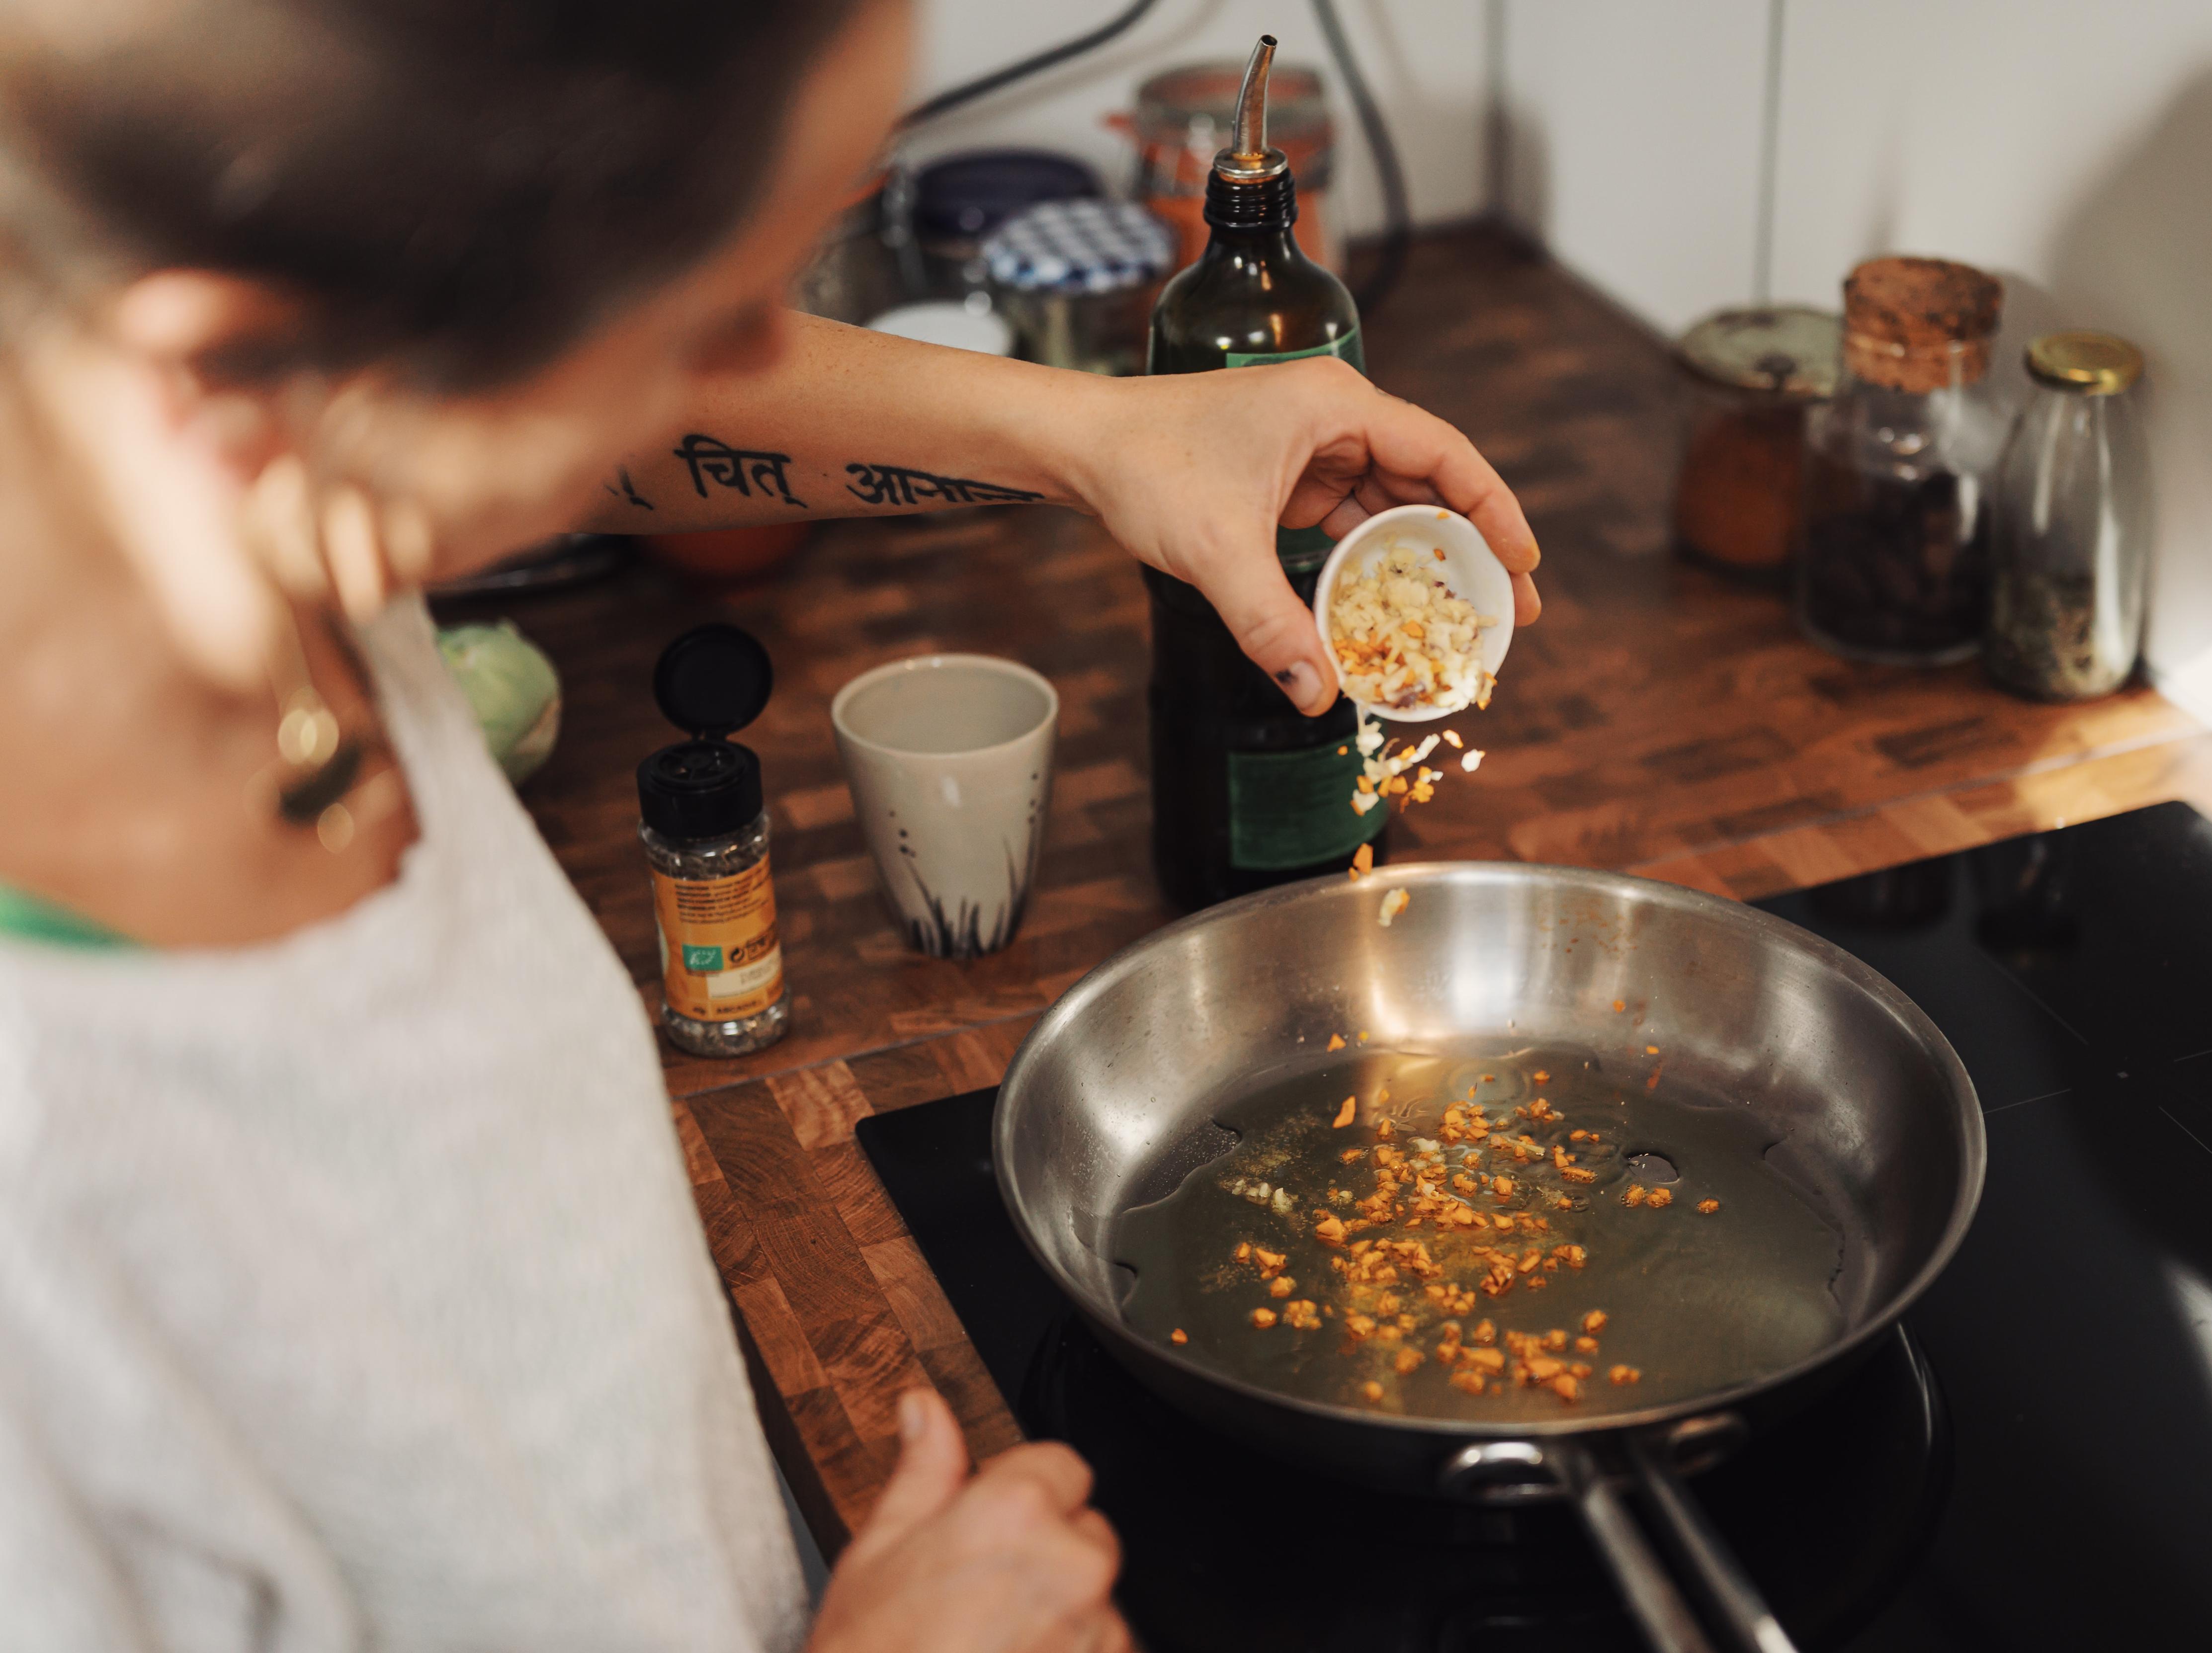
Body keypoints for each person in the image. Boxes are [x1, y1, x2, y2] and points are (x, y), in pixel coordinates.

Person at [0, 0, 1541, 1649]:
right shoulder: (50, 1197)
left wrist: (1105, 437)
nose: (749, 379)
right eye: (716, 311)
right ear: (237, 370)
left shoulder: (241, 526)